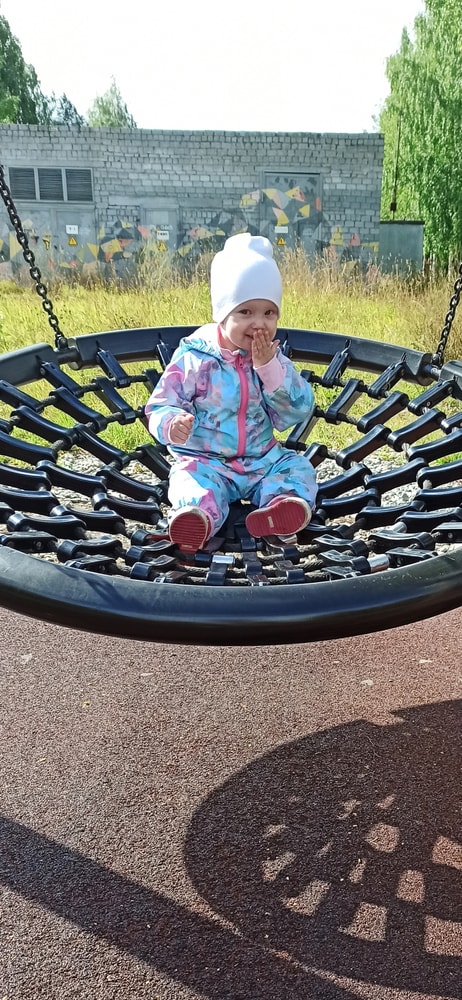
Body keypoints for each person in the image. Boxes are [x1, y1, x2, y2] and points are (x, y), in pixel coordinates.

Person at [145, 233, 317, 552]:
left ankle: (281, 509)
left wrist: (269, 371)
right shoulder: (196, 359)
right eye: (246, 312)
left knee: (297, 469)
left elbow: (297, 411)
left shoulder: (273, 359)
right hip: (205, 459)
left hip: (262, 458)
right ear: (223, 313)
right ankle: (196, 519)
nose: (259, 323)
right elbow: (161, 404)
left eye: (269, 313)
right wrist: (171, 423)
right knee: (190, 480)